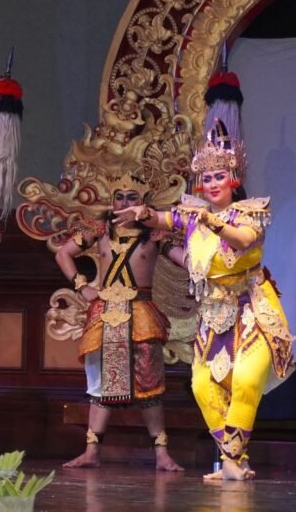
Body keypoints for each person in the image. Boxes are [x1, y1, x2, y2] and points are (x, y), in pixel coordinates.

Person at [116, 127, 295, 481]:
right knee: (201, 386)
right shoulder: (192, 215)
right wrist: (143, 213)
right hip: (213, 314)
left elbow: (242, 240)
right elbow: (163, 219)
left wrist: (213, 222)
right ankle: (235, 461)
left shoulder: (250, 213)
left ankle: (231, 461)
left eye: (219, 176)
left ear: (233, 179)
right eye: (207, 177)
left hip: (251, 310)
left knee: (245, 379)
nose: (212, 184)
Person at [54, 173, 184, 471]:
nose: (124, 203)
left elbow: (186, 259)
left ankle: (162, 454)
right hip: (103, 315)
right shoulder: (99, 229)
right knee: (100, 384)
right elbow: (63, 254)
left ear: (143, 202)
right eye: (119, 197)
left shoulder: (155, 234)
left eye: (132, 197)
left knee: (150, 384)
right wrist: (82, 286)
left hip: (141, 315)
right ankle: (91, 452)